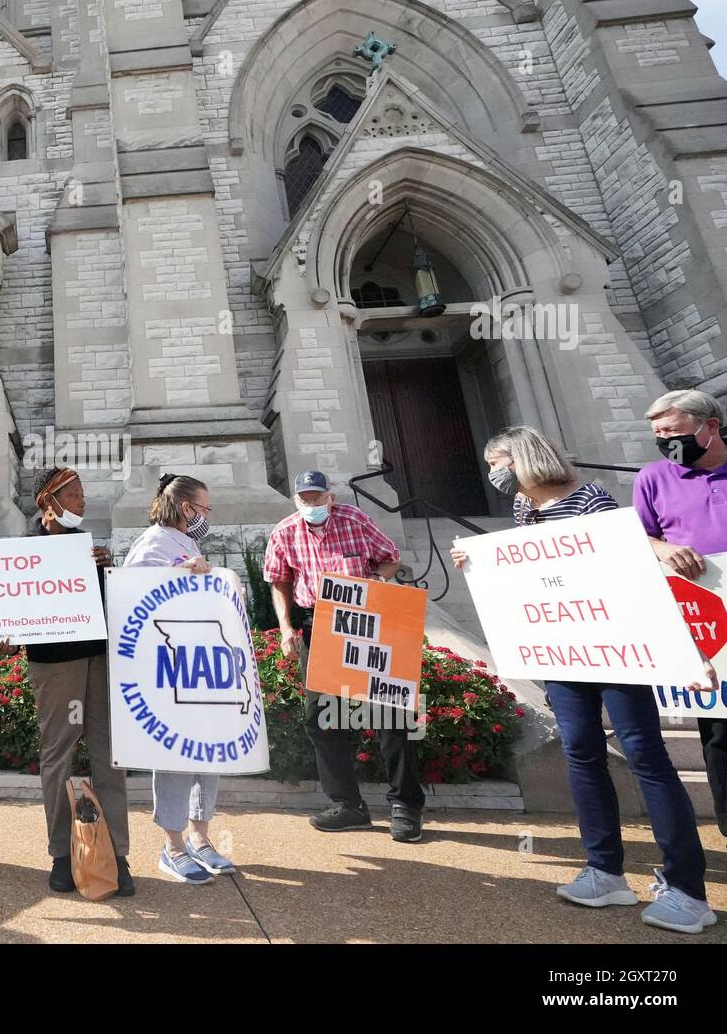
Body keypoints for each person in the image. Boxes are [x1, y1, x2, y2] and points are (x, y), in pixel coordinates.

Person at [453, 424, 715, 934]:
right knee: (580, 750)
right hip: (565, 653)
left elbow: (629, 558)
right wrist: (479, 563)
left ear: (526, 459)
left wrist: (657, 551)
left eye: (499, 462)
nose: (494, 474)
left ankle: (686, 888)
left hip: (616, 648)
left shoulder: (590, 500)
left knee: (644, 752)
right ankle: (604, 870)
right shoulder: (524, 511)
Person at [0, 468, 134, 895]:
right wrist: (0, 636)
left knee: (110, 754)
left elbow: (110, 606)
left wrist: (108, 572)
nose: (83, 502)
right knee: (59, 754)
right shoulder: (24, 554)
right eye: (74, 495)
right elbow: (6, 612)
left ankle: (116, 854)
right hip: (55, 665)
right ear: (48, 503)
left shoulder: (88, 549)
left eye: (82, 494)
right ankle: (61, 853)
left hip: (99, 658)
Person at [264, 470, 416, 839]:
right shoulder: (285, 531)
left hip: (370, 620)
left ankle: (406, 806)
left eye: (317, 497)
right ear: (297, 500)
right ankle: (349, 805)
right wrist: (286, 629)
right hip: (320, 624)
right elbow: (279, 580)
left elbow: (390, 557)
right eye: (305, 498)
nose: (311, 504)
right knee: (321, 719)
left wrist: (377, 582)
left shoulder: (356, 519)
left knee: (391, 714)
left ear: (330, 497)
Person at [123, 473, 236, 884]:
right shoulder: (154, 542)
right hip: (171, 671)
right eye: (204, 509)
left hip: (198, 666)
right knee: (176, 757)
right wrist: (178, 574)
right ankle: (172, 846)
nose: (207, 516)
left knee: (205, 754)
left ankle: (200, 839)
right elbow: (132, 594)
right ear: (187, 507)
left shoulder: (185, 541)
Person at [636, 389, 727, 839]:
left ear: (710, 426)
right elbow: (638, 540)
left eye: (673, 432)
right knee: (720, 738)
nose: (666, 442)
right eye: (658, 435)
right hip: (706, 625)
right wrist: (665, 549)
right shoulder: (653, 479)